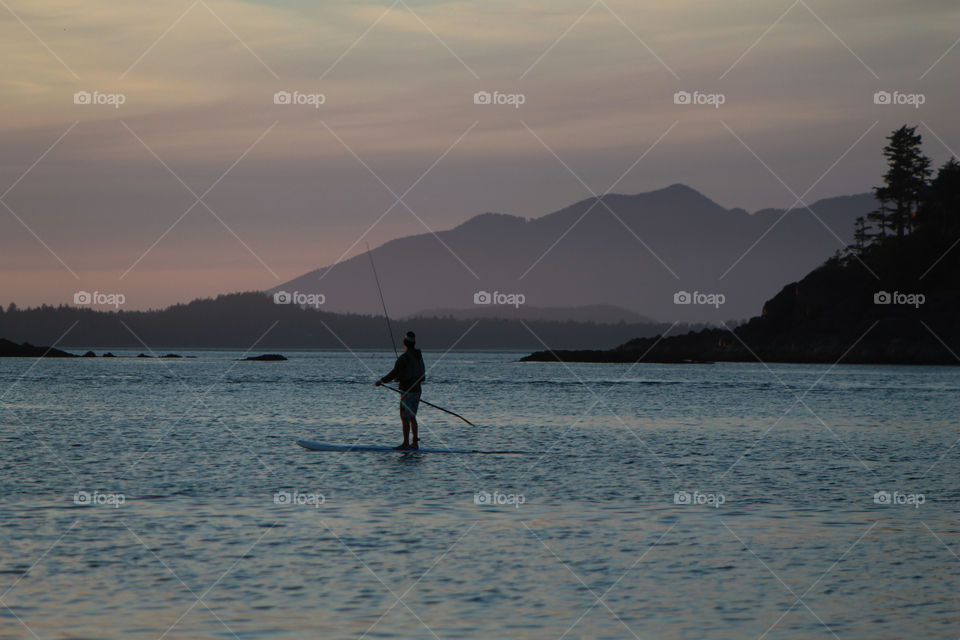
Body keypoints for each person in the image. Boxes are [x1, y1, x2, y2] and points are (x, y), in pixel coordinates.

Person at [376, 331, 425, 450]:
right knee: (412, 416)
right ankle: (415, 443)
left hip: (407, 391)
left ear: (405, 343)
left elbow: (394, 373)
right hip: (417, 390)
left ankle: (405, 443)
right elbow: (420, 375)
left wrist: (381, 381)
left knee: (405, 417)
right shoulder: (419, 357)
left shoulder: (404, 358)